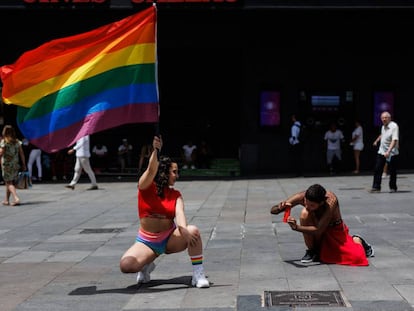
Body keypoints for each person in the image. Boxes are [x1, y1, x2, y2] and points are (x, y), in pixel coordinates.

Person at [119, 136, 210, 288]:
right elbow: (151, 169)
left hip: (169, 239)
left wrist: (183, 229)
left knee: (193, 231)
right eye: (174, 172)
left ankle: (198, 274)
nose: (177, 175)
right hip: (147, 241)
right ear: (164, 172)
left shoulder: (175, 194)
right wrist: (156, 150)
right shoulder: (145, 187)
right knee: (127, 266)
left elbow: (180, 214)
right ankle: (146, 264)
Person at [270, 184, 374, 266]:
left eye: (312, 205)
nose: (307, 205)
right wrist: (280, 207)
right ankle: (311, 251)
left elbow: (318, 229)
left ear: (321, 203)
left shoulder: (330, 201)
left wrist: (296, 227)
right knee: (305, 213)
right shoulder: (302, 197)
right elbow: (273, 211)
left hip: (334, 231)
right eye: (306, 202)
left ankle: (357, 239)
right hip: (317, 230)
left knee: (357, 258)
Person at [370, 111, 399, 193]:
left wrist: (388, 151)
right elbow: (382, 134)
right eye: (382, 118)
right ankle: (376, 187)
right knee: (377, 168)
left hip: (391, 152)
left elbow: (394, 140)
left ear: (389, 118)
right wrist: (376, 140)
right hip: (382, 151)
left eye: (385, 117)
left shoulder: (394, 126)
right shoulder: (383, 126)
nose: (384, 119)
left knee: (392, 170)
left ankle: (393, 187)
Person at [0, 125, 26, 206]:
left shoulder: (4, 142)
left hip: (6, 165)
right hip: (15, 165)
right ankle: (6, 200)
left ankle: (16, 198)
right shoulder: (17, 142)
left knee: (8, 182)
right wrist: (24, 164)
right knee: (10, 182)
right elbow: (22, 154)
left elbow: (1, 153)